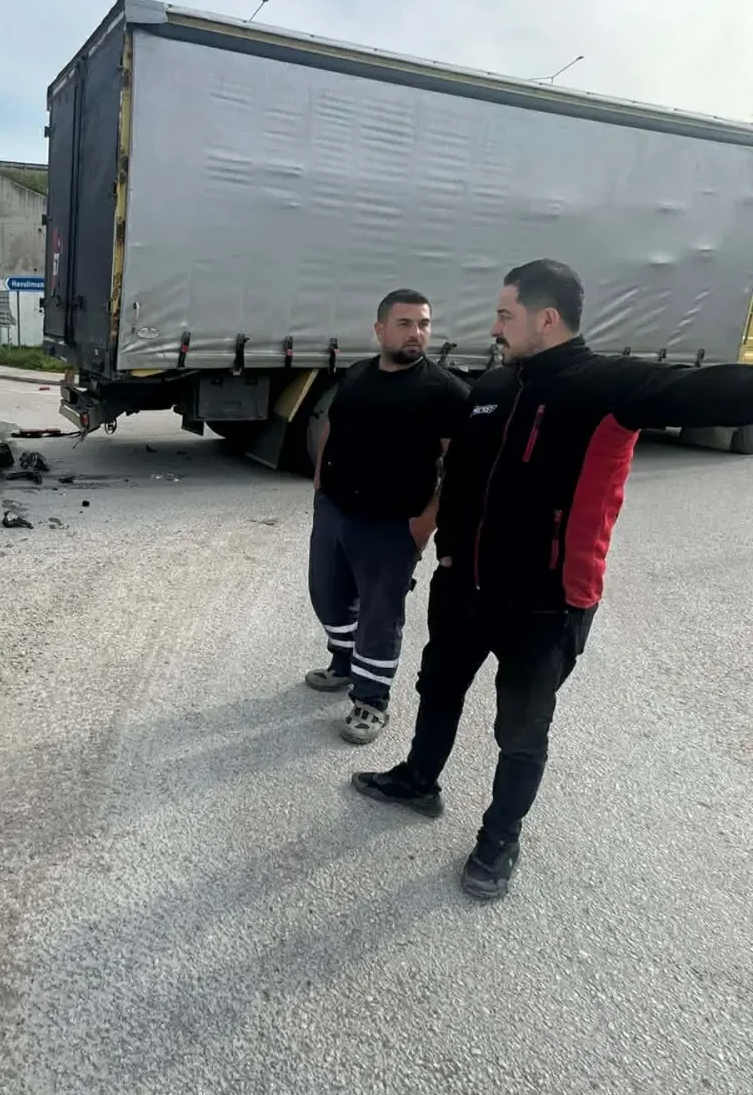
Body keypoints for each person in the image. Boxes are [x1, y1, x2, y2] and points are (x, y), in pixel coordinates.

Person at [352, 258, 753, 900]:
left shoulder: (607, 386)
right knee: (439, 689)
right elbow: (462, 478)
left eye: (504, 315)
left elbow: (713, 389)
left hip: (545, 605)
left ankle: (500, 837)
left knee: (521, 728)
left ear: (545, 318)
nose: (494, 327)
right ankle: (418, 779)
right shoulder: (494, 385)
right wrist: (444, 553)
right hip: (464, 588)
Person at [307, 290, 469, 744]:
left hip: (393, 525)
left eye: (424, 324)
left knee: (380, 615)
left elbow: (462, 468)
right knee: (328, 595)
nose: (416, 333)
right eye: (405, 323)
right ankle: (343, 663)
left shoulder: (445, 392)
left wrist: (425, 524)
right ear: (380, 330)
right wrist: (320, 485)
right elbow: (333, 427)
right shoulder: (358, 374)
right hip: (335, 511)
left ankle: (371, 699)